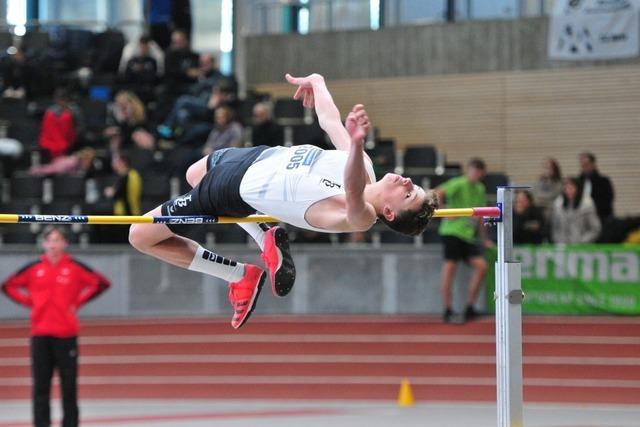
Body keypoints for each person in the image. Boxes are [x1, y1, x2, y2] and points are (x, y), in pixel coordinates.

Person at [128, 73, 438, 329]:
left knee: (140, 235)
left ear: (389, 213)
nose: (407, 181)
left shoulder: (360, 216)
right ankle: (264, 233)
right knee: (193, 172)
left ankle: (237, 274)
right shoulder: (367, 167)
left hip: (235, 186)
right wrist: (319, 83)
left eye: (408, 194)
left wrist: (356, 144)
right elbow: (330, 122)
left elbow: (353, 190)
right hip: (261, 155)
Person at [1, 226, 111, 427]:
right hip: (40, 335)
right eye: (50, 240)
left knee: (69, 387)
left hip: (66, 334)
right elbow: (8, 286)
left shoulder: (75, 267)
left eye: (57, 240)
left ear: (65, 243)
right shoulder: (34, 268)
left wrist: (78, 302)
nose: (53, 245)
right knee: (40, 387)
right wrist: (31, 303)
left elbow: (101, 283)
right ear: (44, 244)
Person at [435, 158, 491, 323]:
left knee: (482, 267)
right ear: (468, 170)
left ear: (482, 174)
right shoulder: (458, 183)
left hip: (467, 235)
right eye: (473, 170)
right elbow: (436, 192)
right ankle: (447, 309)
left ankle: (469, 307)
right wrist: (444, 210)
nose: (475, 174)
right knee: (450, 270)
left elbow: (482, 216)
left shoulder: (480, 189)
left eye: (479, 171)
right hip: (452, 233)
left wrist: (484, 239)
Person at [551, 177, 601, 243]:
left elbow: (595, 229)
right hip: (562, 246)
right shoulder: (558, 204)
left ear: (578, 189)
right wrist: (559, 242)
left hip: (582, 246)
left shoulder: (587, 205)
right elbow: (555, 227)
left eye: (571, 188)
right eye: (566, 188)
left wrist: (582, 241)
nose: (568, 191)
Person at [578, 152, 614, 223]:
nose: (584, 167)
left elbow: (609, 199)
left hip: (602, 216)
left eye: (587, 164)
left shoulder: (604, 181)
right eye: (583, 165)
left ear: (593, 164)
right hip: (582, 217)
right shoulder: (578, 182)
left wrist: (594, 209)